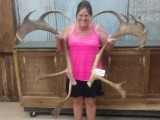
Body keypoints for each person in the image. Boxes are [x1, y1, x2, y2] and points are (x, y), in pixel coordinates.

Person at [55, 0, 116, 120]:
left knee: (91, 102)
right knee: (77, 102)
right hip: (74, 73)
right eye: (80, 15)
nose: (83, 18)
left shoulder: (98, 29)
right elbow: (62, 49)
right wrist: (58, 40)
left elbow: (108, 49)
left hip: (95, 73)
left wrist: (111, 43)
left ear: (91, 16)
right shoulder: (69, 29)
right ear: (76, 16)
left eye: (86, 15)